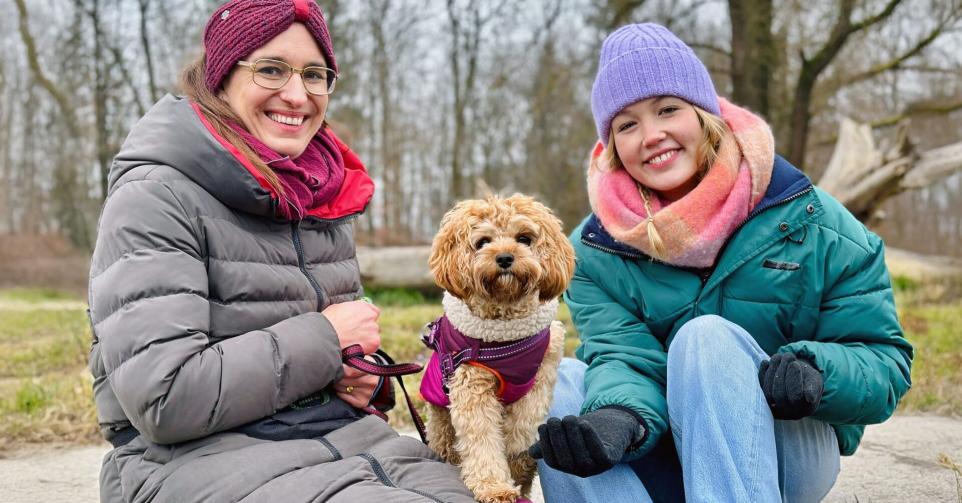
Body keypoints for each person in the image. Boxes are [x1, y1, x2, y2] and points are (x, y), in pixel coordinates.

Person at [86, 1, 474, 501]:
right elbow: (165, 399)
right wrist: (326, 342)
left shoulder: (319, 194)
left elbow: (334, 345)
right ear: (221, 78)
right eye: (271, 69)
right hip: (196, 462)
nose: (296, 94)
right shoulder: (155, 198)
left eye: (314, 75)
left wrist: (363, 375)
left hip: (343, 440)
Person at [528, 23, 913, 503]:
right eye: (627, 125)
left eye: (667, 109)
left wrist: (817, 373)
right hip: (663, 447)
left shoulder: (815, 222)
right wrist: (617, 419)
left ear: (703, 112)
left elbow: (885, 363)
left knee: (705, 337)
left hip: (784, 449)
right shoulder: (594, 250)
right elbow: (623, 357)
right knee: (560, 384)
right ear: (612, 147)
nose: (652, 136)